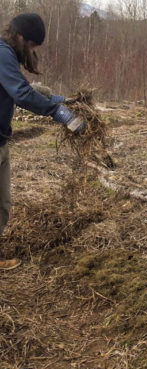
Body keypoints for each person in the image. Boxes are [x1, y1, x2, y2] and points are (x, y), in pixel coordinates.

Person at [0, 13, 84, 269]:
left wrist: (54, 98)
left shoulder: (8, 55)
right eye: (33, 45)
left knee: (3, 204)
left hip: (1, 141)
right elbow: (21, 93)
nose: (33, 50)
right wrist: (55, 111)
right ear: (21, 37)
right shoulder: (2, 52)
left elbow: (21, 87)